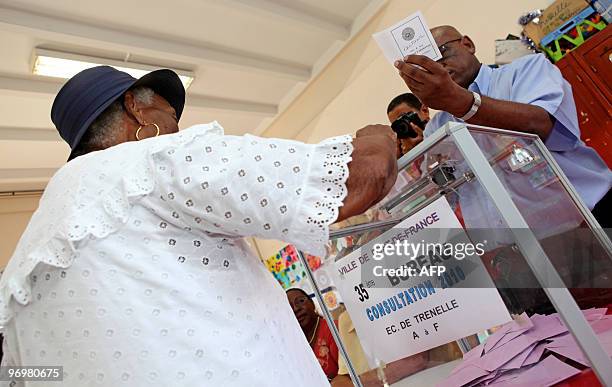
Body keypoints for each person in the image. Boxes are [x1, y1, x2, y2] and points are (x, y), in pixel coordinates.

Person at [0, 66, 398, 387]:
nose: (175, 128)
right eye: (170, 116)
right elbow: (361, 178)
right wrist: (379, 135)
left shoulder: (23, 266)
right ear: (137, 110)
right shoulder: (149, 161)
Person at [393, 25, 612, 228]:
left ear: (467, 44)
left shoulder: (525, 70)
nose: (437, 68)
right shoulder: (437, 128)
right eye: (425, 68)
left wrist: (462, 104)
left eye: (441, 54)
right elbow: (444, 193)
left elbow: (542, 125)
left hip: (593, 214)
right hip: (533, 245)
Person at [286, 288, 339, 380]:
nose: (296, 309)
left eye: (300, 301)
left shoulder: (334, 329)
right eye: (289, 308)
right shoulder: (292, 345)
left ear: (312, 303)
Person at [386, 92, 430, 158]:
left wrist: (426, 143)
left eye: (404, 118)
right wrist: (405, 158)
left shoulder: (444, 128)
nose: (403, 126)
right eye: (397, 125)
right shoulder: (402, 150)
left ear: (424, 111)